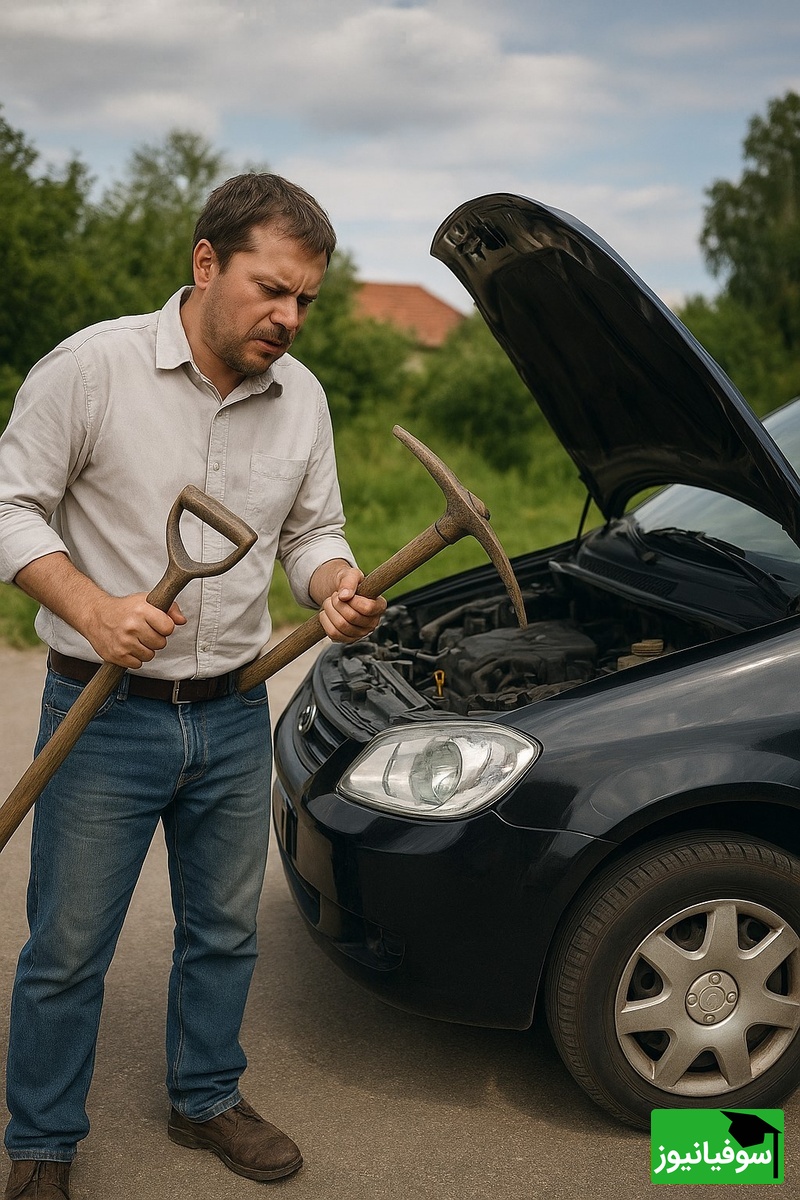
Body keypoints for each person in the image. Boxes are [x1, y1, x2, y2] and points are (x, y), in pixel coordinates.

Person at [0, 173, 387, 1199]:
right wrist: (93, 610)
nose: (288, 318)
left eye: (304, 299)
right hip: (103, 712)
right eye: (270, 290)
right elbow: (10, 507)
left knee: (222, 930)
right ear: (204, 263)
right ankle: (40, 1141)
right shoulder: (93, 370)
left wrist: (334, 584)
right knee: (70, 945)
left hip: (230, 709)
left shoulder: (299, 396)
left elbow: (311, 533)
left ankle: (205, 1097)